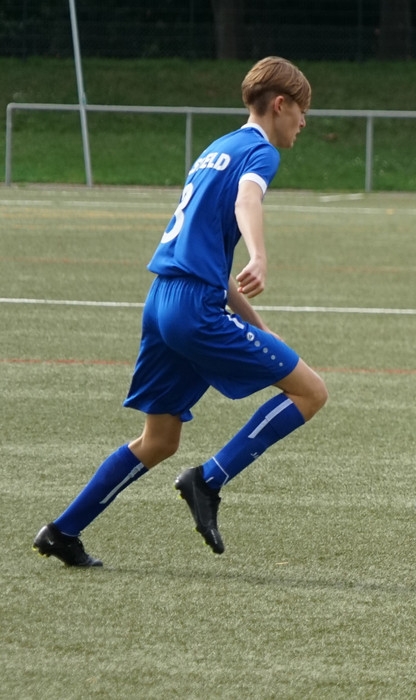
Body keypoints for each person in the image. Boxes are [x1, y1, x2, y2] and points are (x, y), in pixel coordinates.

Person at [33, 57, 328, 567]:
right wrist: (259, 255)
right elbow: (247, 201)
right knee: (311, 392)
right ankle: (207, 480)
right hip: (193, 310)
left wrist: (259, 325)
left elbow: (207, 257)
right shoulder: (259, 152)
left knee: (159, 439)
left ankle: (62, 531)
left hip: (163, 300)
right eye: (303, 111)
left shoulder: (216, 149)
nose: (304, 122)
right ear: (280, 105)